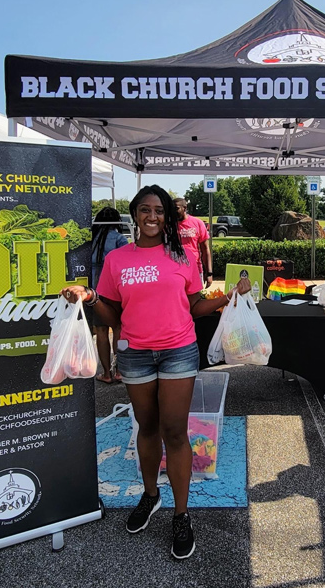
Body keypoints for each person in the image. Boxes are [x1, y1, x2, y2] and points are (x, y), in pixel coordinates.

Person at [61, 185, 250, 560]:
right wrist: (91, 298)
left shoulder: (181, 255)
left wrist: (227, 298)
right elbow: (113, 317)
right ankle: (151, 495)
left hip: (179, 351)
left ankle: (181, 515)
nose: (152, 217)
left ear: (168, 217)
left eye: (160, 211)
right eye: (145, 210)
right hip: (135, 355)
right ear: (134, 214)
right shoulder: (117, 260)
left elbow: (195, 305)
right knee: (146, 428)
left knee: (175, 432)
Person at [91, 207, 130, 383]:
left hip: (94, 291)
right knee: (118, 330)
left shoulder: (90, 239)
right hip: (114, 290)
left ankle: (106, 373)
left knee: (100, 331)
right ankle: (120, 370)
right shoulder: (120, 239)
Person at [174, 198, 213, 289]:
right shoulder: (169, 225)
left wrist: (209, 273)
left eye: (176, 209)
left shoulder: (197, 223)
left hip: (195, 269)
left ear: (185, 208)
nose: (173, 212)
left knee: (196, 301)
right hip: (176, 271)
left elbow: (205, 249)